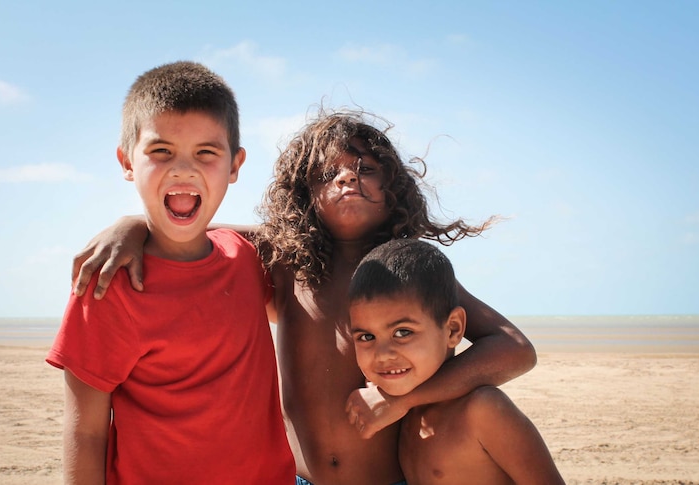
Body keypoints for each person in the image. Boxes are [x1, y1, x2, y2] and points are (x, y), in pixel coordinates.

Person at [72, 110, 537, 485]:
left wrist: (404, 401)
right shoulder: (281, 256)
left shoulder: (408, 273)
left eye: (366, 170)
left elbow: (514, 349)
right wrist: (130, 225)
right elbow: (186, 230)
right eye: (327, 173)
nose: (347, 179)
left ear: (393, 190)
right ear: (303, 193)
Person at [46, 61, 294, 484]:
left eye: (206, 152)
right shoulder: (108, 283)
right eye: (161, 152)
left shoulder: (247, 259)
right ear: (127, 161)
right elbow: (85, 433)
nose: (183, 169)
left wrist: (134, 222)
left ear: (235, 166)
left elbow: (296, 239)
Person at [349, 239, 564, 484]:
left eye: (403, 332)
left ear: (453, 329)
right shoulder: (401, 416)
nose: (383, 354)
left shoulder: (482, 410)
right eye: (367, 337)